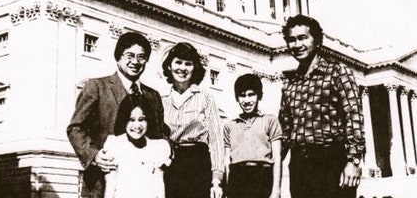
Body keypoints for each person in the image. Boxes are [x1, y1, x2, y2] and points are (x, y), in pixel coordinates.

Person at [67, 32, 169, 198]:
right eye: (129, 55)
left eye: (141, 57)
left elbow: (161, 133)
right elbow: (75, 128)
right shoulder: (97, 87)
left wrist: (167, 151)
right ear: (118, 57)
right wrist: (94, 156)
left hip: (143, 186)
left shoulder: (153, 96)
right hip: (102, 184)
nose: (135, 62)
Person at [278, 15, 365, 198]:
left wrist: (353, 161)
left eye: (303, 38)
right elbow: (284, 132)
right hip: (300, 165)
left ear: (317, 41)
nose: (297, 45)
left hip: (332, 159)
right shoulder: (289, 84)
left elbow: (354, 117)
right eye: (292, 40)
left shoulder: (337, 72)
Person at [161, 42, 224, 198]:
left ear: (194, 68)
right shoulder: (161, 99)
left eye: (188, 64)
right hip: (169, 164)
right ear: (169, 66)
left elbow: (216, 139)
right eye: (178, 62)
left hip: (197, 165)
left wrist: (216, 179)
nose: (182, 68)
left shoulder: (205, 97)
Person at [223, 74, 282, 198]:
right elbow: (227, 162)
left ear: (259, 96)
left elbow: (277, 158)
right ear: (237, 98)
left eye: (251, 95)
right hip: (237, 178)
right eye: (242, 95)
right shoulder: (229, 125)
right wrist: (228, 190)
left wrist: (276, 190)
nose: (247, 100)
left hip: (262, 178)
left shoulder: (270, 121)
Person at [102, 96, 172, 198]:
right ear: (124, 120)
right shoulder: (115, 145)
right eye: (132, 120)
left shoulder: (157, 147)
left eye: (141, 120)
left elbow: (159, 185)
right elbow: (110, 185)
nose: (137, 125)